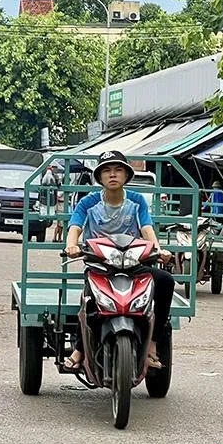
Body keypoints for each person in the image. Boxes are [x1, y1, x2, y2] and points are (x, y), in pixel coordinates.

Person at [63, 151, 174, 371]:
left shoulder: (136, 201)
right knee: (89, 299)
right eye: (106, 170)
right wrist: (71, 245)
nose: (112, 174)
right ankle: (79, 348)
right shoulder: (89, 202)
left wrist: (159, 249)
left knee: (165, 282)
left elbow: (146, 229)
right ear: (100, 177)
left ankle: (152, 344)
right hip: (100, 265)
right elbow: (75, 226)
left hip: (134, 264)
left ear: (126, 175)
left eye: (118, 170)